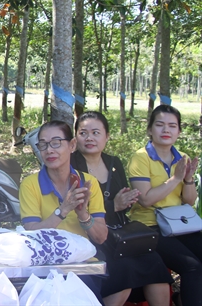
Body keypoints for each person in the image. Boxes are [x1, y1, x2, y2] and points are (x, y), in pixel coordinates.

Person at [71, 112, 171, 306]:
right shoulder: (71, 165)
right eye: (83, 133)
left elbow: (122, 198)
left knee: (154, 263)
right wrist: (113, 205)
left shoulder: (113, 163)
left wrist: (127, 200)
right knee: (124, 269)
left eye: (96, 132)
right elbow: (75, 206)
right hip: (90, 233)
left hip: (119, 232)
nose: (89, 138)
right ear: (75, 138)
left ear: (107, 136)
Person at [19, 120, 107, 302]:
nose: (49, 150)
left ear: (72, 145)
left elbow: (100, 237)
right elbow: (31, 233)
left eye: (56, 142)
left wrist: (83, 214)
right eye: (43, 144)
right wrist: (63, 210)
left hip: (82, 265)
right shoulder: (30, 184)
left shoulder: (89, 183)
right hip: (44, 266)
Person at [128, 105, 202, 306]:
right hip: (150, 226)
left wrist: (187, 179)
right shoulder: (140, 158)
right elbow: (145, 199)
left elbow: (188, 200)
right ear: (150, 129)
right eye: (160, 125)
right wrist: (175, 178)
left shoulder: (182, 157)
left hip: (179, 224)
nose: (166, 130)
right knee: (193, 266)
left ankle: (181, 298)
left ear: (179, 131)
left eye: (172, 126)